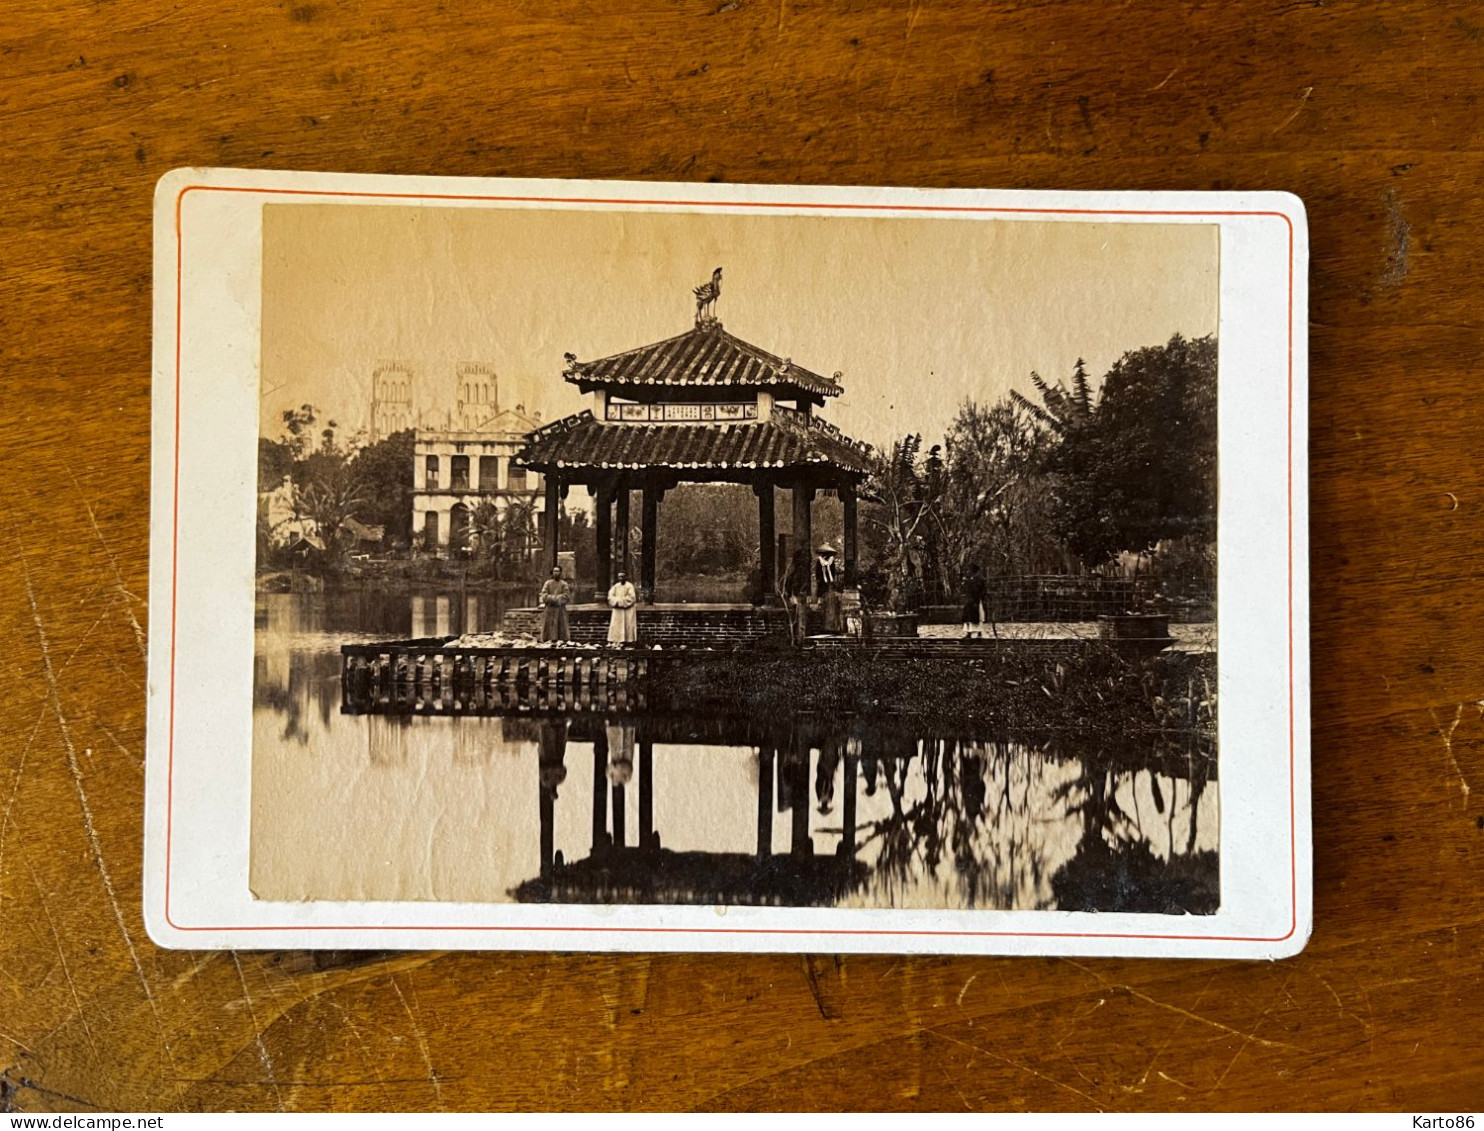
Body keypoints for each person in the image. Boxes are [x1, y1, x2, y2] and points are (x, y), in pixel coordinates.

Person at [814, 542, 844, 634]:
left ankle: (832, 625)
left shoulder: (831, 561)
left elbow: (833, 572)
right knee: (824, 601)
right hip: (823, 583)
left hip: (829, 582)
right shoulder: (819, 561)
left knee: (830, 602)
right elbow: (818, 573)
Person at [537, 565, 571, 642]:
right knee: (548, 625)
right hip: (549, 609)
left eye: (558, 571)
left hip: (560, 609)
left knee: (561, 625)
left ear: (560, 573)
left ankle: (561, 641)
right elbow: (544, 595)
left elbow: (566, 596)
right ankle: (547, 640)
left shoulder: (564, 584)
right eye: (554, 571)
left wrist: (557, 599)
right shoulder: (547, 583)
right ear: (552, 573)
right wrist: (553, 599)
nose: (556, 573)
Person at [606, 570, 638, 645]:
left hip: (628, 610)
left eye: (623, 576)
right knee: (617, 625)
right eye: (620, 577)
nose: (621, 578)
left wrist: (621, 602)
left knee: (628, 625)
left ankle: (628, 642)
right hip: (617, 610)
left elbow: (632, 598)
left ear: (625, 577)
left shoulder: (629, 586)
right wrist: (616, 602)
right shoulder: (616, 586)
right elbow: (610, 596)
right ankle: (616, 641)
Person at [962, 561, 988, 638]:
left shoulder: (978, 579)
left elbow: (979, 590)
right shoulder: (971, 579)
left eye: (969, 570)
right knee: (969, 616)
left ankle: (978, 632)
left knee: (977, 615)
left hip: (975, 599)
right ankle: (970, 632)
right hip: (971, 599)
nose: (968, 572)